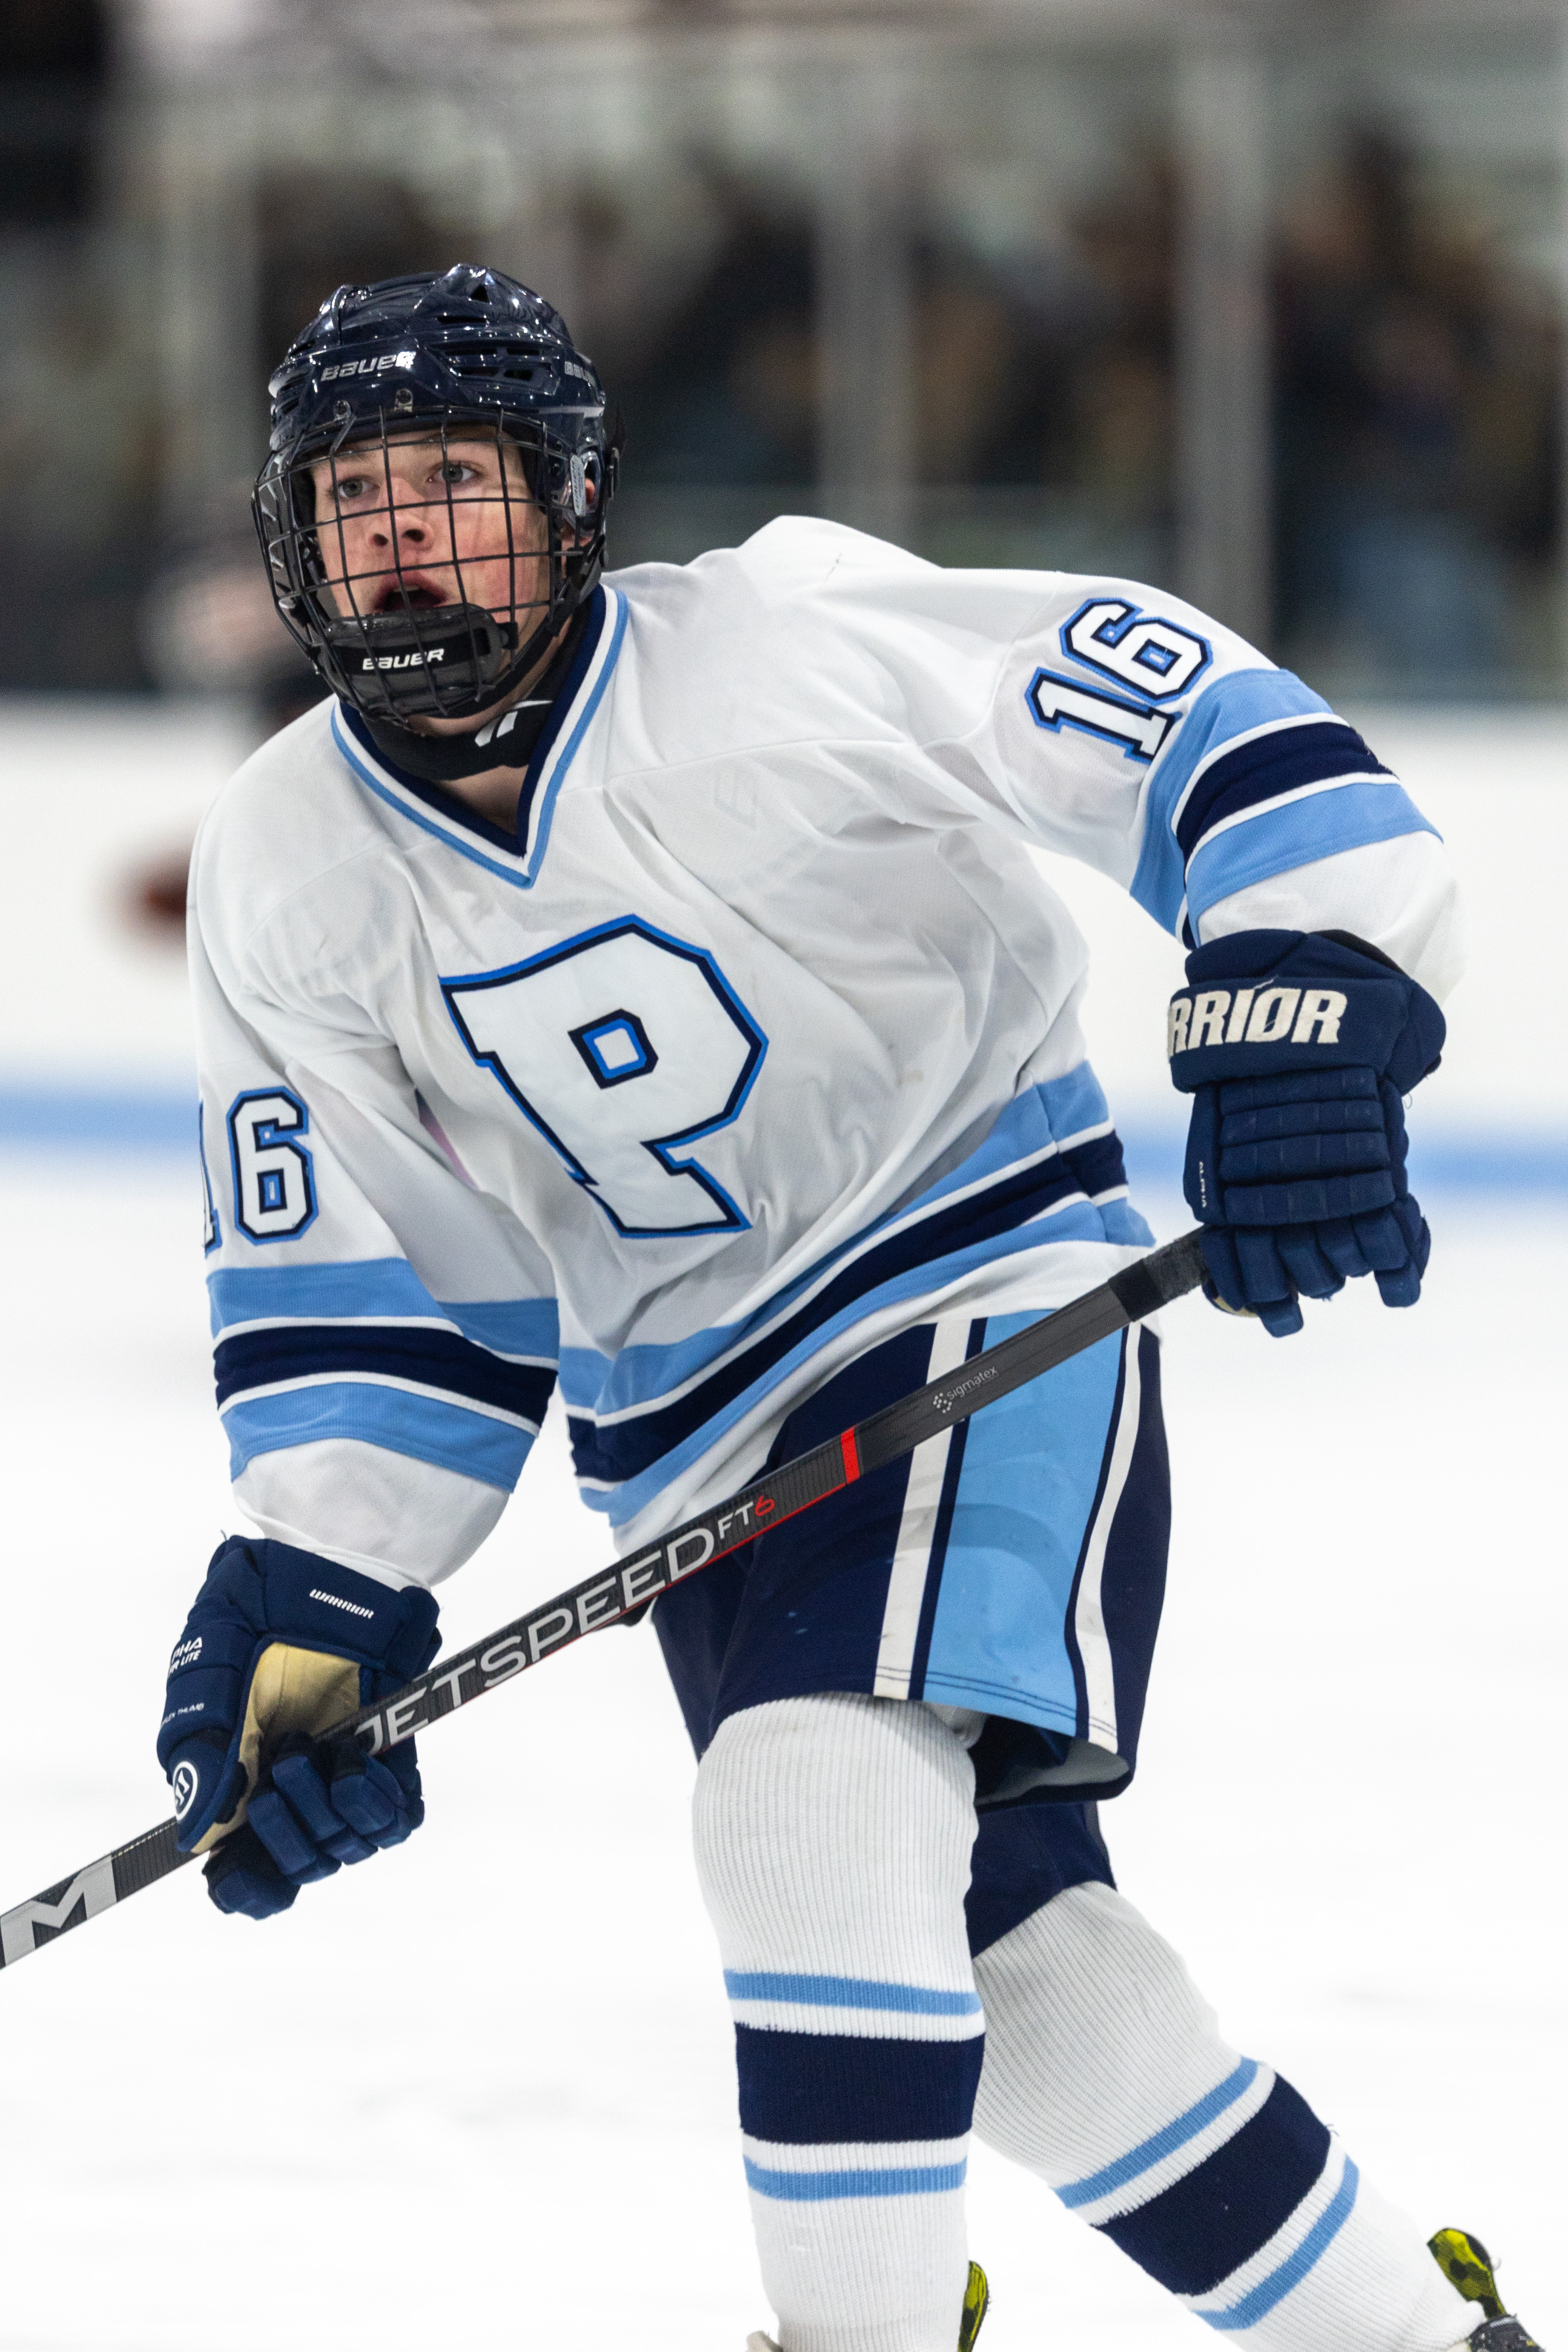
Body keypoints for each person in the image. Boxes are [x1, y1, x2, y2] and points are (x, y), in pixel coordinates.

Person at [158, 266, 1539, 2352]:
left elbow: (1185, 712)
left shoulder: (776, 645)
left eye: (451, 482)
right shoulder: (279, 859)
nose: (405, 541)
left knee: (805, 1798)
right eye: (357, 501)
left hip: (979, 1284)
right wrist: (319, 1591)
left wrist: (1301, 989)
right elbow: (389, 1279)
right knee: (1021, 1978)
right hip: (693, 1444)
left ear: (572, 496)